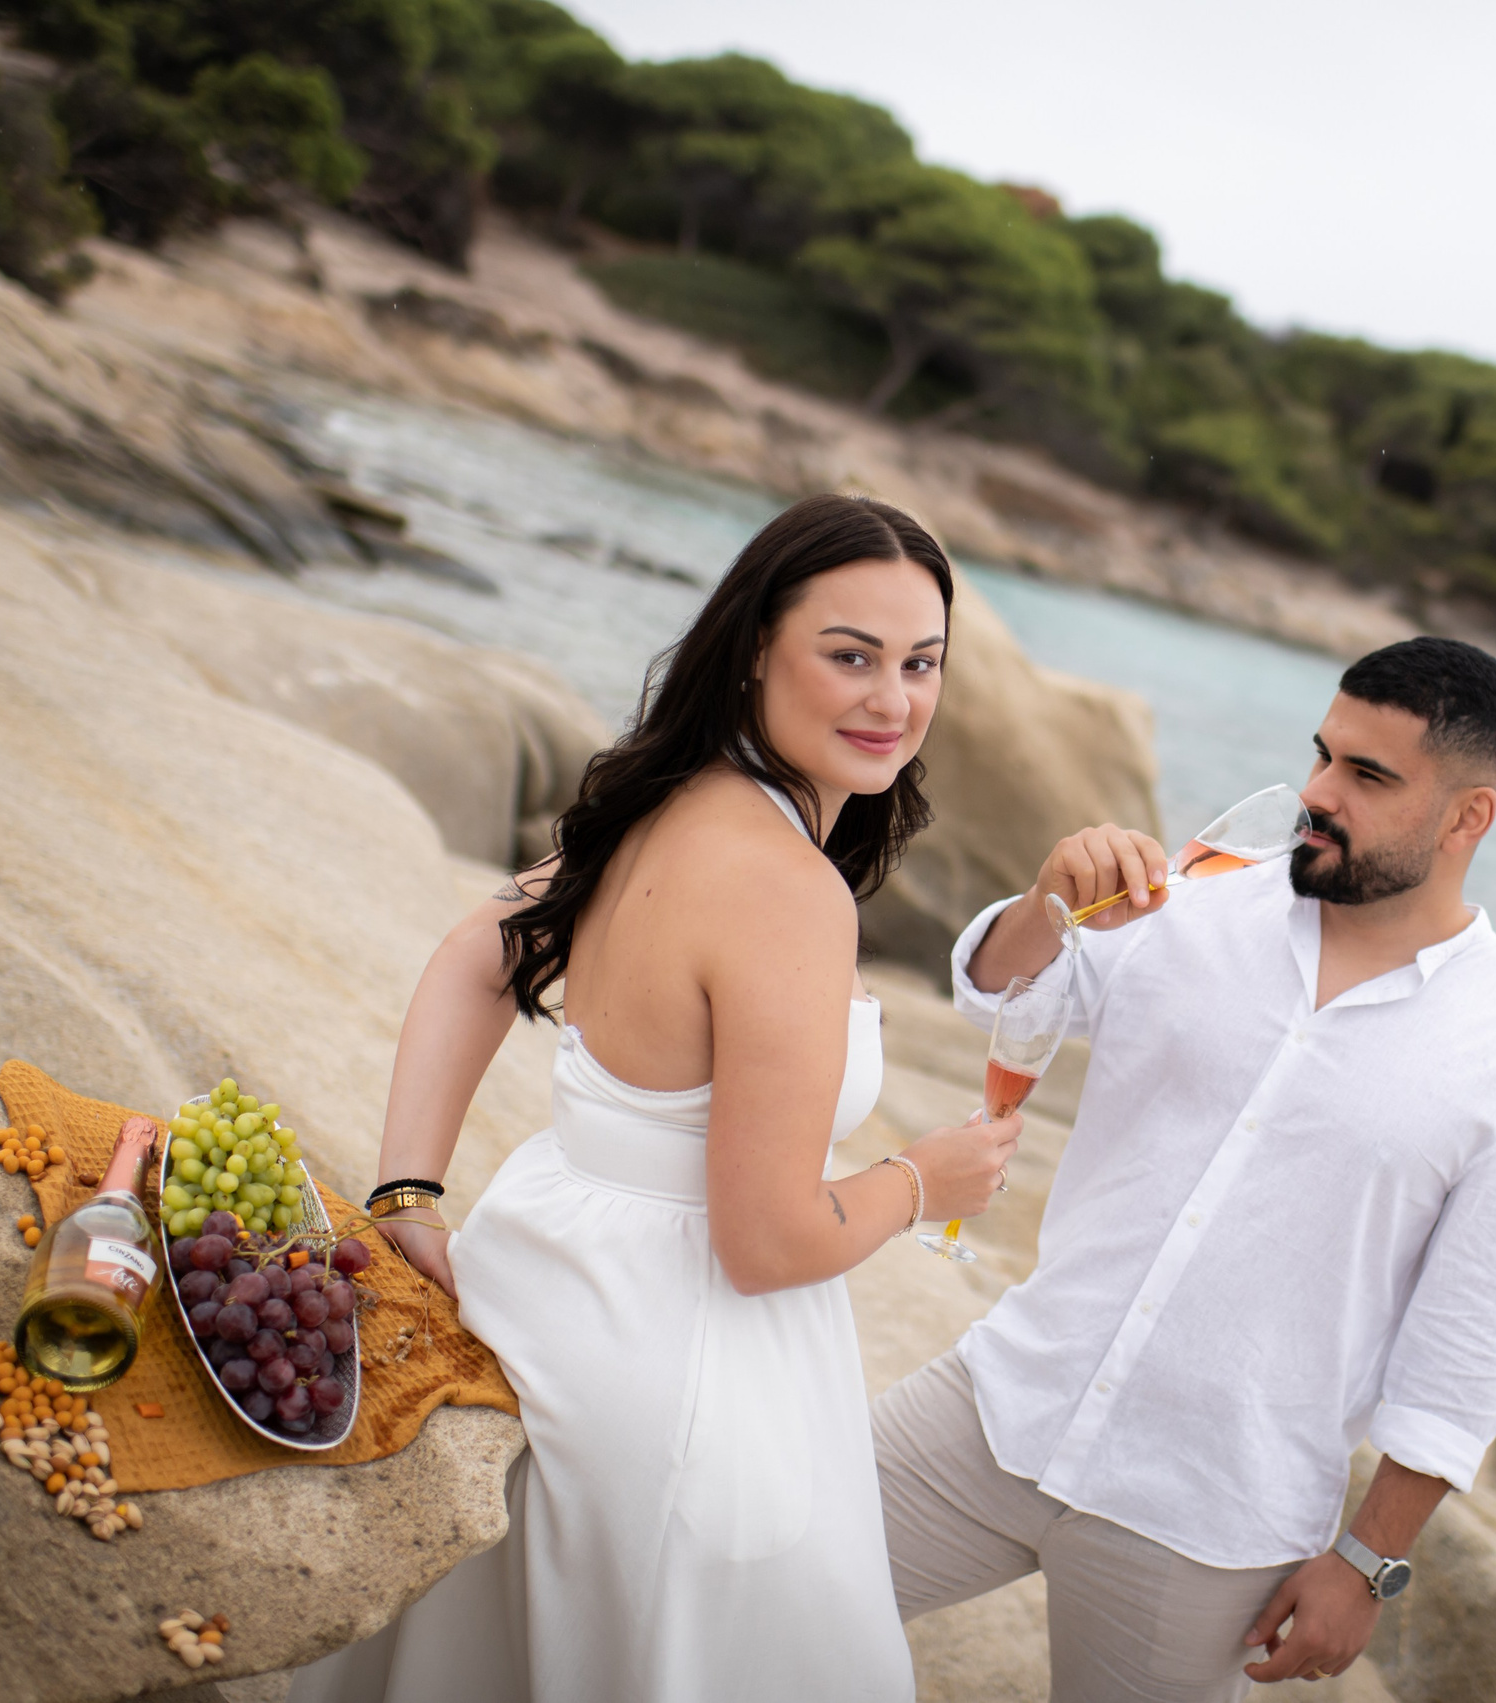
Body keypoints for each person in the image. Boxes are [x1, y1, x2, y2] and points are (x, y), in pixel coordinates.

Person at [288, 494, 1019, 1702]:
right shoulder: (788, 887)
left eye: (920, 662)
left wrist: (409, 1187)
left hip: (541, 1275)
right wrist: (919, 1181)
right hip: (676, 1356)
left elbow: (478, 951)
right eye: (850, 656)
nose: (893, 700)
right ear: (755, 651)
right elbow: (767, 1240)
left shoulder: (661, 800)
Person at [873, 636, 1496, 1700]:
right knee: (738, 1575)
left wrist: (1367, 1560)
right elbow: (997, 993)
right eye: (1322, 755)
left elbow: (1466, 1353)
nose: (1318, 793)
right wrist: (1047, 902)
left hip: (1207, 1522)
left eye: (1367, 775)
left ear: (1466, 817)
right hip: (1001, 1405)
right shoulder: (1195, 898)